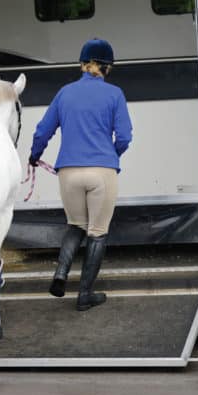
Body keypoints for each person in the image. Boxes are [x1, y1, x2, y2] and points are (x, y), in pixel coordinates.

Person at [29, 38, 132, 311]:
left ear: (83, 64)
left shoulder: (64, 93)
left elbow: (42, 131)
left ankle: (61, 273)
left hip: (68, 173)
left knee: (75, 225)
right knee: (97, 233)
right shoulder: (115, 94)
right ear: (106, 67)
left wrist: (34, 156)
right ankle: (85, 294)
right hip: (102, 171)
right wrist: (110, 156)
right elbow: (124, 136)